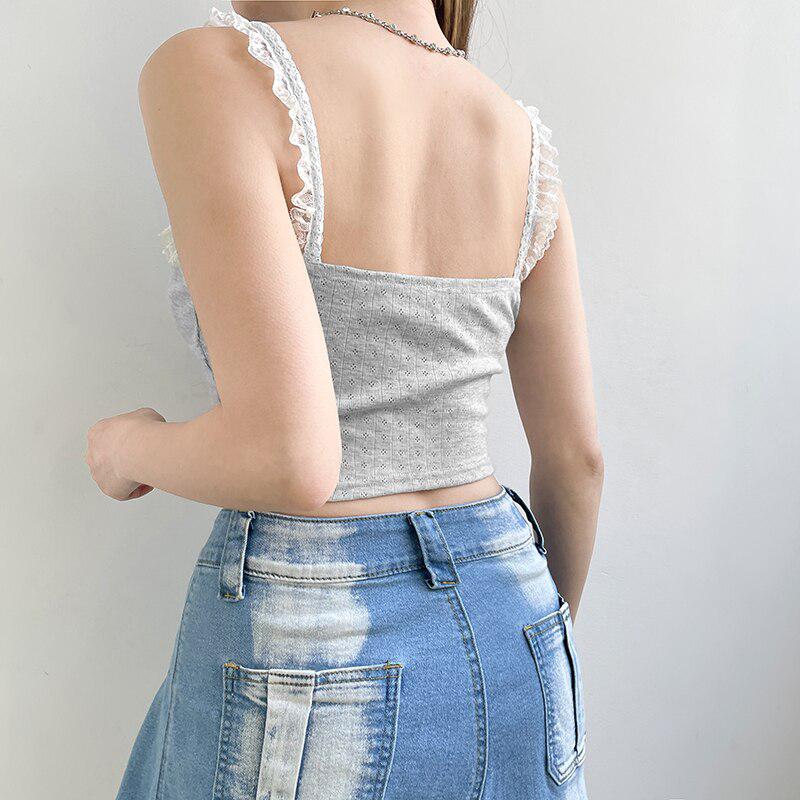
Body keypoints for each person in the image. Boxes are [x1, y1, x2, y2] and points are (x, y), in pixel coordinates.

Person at [87, 3, 603, 798]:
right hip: (517, 615)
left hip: (316, 632)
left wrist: (126, 447)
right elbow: (577, 462)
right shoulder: (517, 136)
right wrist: (534, 637)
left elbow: (290, 459)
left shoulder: (217, 70)